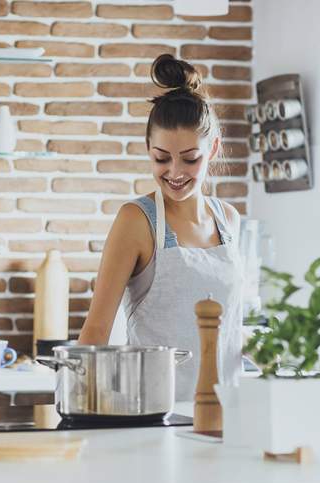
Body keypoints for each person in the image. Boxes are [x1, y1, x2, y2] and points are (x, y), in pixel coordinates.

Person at [78, 54, 244, 401]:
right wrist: (80, 410)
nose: (175, 171)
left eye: (190, 157)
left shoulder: (228, 220)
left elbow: (231, 329)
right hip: (155, 412)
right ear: (148, 150)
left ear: (212, 148)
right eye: (161, 158)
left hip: (228, 410)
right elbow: (97, 328)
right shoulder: (137, 221)